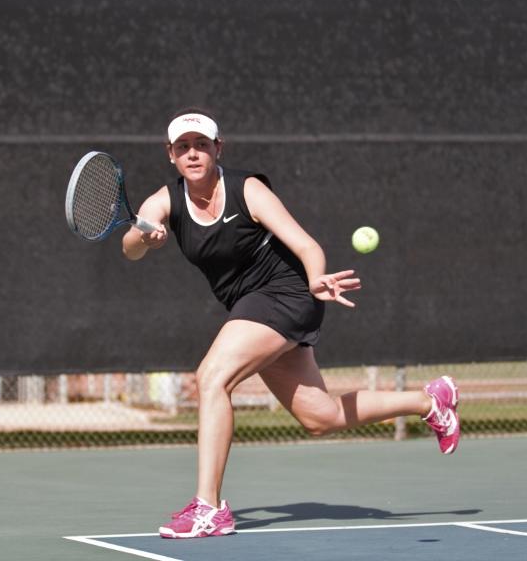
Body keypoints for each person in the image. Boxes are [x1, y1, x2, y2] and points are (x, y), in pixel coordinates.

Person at [121, 107, 460, 539]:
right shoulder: (165, 201)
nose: (193, 153)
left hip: (289, 294)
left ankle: (209, 508)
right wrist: (143, 237)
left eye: (201, 145)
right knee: (321, 416)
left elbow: (305, 243)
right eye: (183, 146)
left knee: (212, 377)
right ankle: (430, 401)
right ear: (171, 154)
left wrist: (317, 277)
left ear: (217, 149)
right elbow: (130, 247)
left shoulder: (248, 189)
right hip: (250, 307)